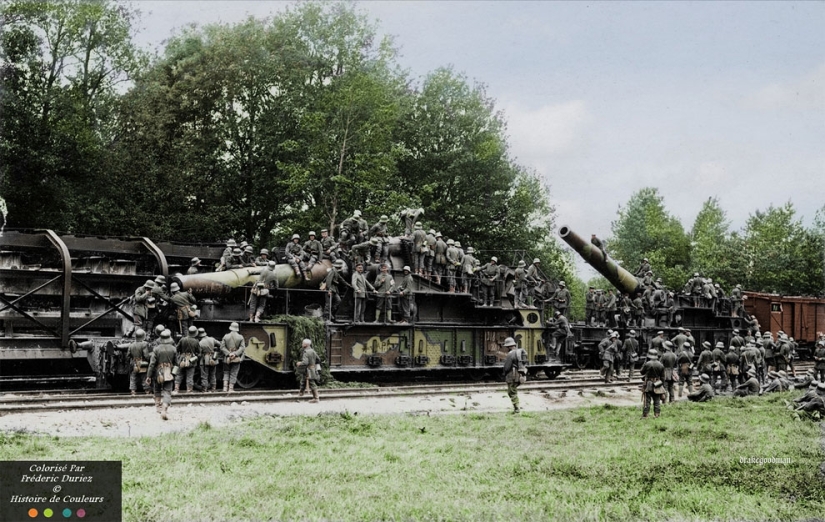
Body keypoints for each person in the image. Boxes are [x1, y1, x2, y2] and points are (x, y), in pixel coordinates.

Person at [145, 329, 176, 420]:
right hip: (168, 372)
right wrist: (173, 374)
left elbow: (152, 364)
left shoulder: (156, 349)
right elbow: (177, 364)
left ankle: (158, 407)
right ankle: (164, 408)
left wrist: (148, 376)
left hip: (158, 372)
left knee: (157, 389)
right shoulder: (173, 349)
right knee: (167, 391)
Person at [502, 337, 527, 413]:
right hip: (519, 375)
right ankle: (516, 407)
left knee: (512, 391)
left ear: (509, 346)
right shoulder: (519, 352)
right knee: (513, 391)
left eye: (506, 347)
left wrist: (504, 374)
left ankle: (517, 409)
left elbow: (507, 367)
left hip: (512, 375)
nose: (506, 348)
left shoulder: (511, 354)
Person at [174, 325, 201, 394]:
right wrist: (195, 358)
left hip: (182, 359)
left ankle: (176, 390)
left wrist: (179, 357)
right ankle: (189, 390)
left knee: (179, 375)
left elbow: (177, 349)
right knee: (190, 376)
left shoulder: (182, 339)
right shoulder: (196, 341)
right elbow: (199, 353)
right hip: (191, 360)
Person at [220, 322, 245, 393]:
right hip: (236, 358)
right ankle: (231, 389)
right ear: (237, 329)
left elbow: (222, 347)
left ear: (230, 328)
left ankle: (224, 388)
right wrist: (235, 354)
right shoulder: (240, 337)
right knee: (233, 373)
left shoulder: (226, 336)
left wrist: (229, 354)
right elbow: (242, 348)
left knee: (226, 372)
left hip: (227, 358)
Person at [640, 349, 665, 418]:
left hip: (648, 384)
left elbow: (641, 372)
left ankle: (645, 415)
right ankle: (657, 414)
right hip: (657, 383)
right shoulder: (661, 365)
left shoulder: (647, 364)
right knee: (657, 400)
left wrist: (645, 362)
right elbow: (663, 377)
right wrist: (661, 385)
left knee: (647, 401)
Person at [295, 338, 320, 403]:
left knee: (311, 383)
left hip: (308, 370)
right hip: (312, 369)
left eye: (303, 343)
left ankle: (316, 398)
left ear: (305, 345)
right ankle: (301, 394)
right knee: (303, 380)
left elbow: (305, 362)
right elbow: (318, 359)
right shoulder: (313, 351)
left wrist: (299, 363)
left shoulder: (306, 352)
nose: (302, 344)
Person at [127, 329, 150, 396]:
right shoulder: (144, 344)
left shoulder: (131, 345)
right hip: (142, 363)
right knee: (144, 377)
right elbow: (146, 355)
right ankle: (147, 391)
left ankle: (133, 391)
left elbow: (128, 356)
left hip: (134, 363)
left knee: (133, 377)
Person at [198, 327, 219, 393]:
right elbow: (220, 345)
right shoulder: (212, 339)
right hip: (213, 358)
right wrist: (216, 353)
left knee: (204, 375)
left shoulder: (200, 343)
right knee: (212, 374)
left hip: (204, 360)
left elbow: (199, 354)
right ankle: (213, 388)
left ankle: (204, 389)